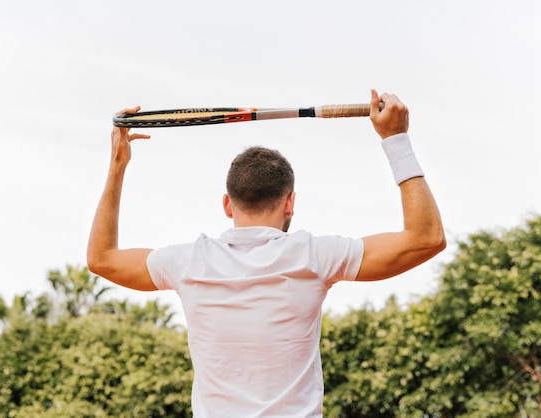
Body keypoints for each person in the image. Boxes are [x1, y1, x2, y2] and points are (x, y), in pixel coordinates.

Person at [87, 90, 446, 417]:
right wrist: (396, 139)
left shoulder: (187, 263)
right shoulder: (314, 256)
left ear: (227, 204)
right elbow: (426, 238)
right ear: (290, 203)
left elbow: (101, 258)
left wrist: (118, 165)